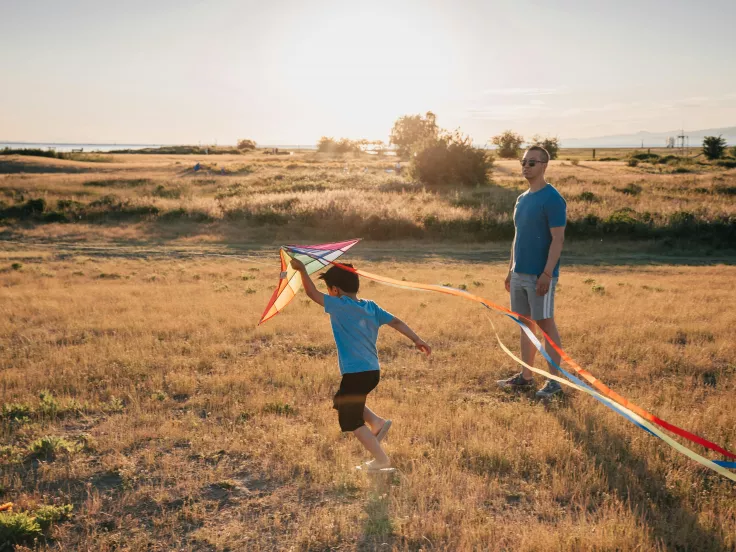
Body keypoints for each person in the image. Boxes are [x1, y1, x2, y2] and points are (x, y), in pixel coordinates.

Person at [290, 258, 431, 471]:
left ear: (335, 290)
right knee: (342, 400)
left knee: (351, 420)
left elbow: (312, 294)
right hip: (372, 371)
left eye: (329, 290)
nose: (328, 294)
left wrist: (301, 270)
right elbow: (396, 321)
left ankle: (381, 459)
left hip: (356, 373)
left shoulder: (339, 305)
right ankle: (378, 423)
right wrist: (417, 339)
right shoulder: (371, 306)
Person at [497, 146, 567, 398]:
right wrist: (510, 271)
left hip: (540, 276)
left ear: (544, 166)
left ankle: (554, 383)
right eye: (524, 162)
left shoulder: (553, 199)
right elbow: (517, 237)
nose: (526, 166)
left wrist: (547, 274)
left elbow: (557, 239)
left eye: (532, 163)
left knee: (546, 325)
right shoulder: (521, 199)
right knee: (525, 325)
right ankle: (526, 377)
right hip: (518, 274)